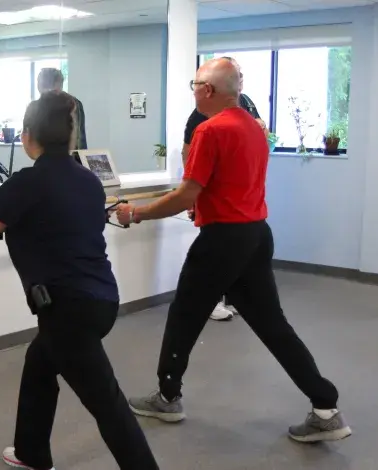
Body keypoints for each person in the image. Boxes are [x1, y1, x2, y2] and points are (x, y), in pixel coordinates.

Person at [117, 58, 351, 444]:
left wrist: (136, 213)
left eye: (194, 85)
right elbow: (213, 186)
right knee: (272, 325)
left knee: (184, 317)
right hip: (256, 235)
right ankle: (325, 407)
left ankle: (167, 397)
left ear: (207, 91)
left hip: (223, 241)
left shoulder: (210, 131)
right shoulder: (255, 128)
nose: (192, 91)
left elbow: (186, 195)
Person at [0, 91, 159, 470]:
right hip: (101, 299)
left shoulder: (26, 183)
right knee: (40, 364)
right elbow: (58, 226)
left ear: (28, 135)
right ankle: (31, 451)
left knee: (107, 403)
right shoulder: (88, 181)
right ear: (69, 137)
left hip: (69, 311)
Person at [182, 56, 267, 322]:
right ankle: (216, 300)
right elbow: (189, 154)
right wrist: (192, 194)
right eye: (234, 73)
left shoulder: (247, 107)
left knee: (270, 320)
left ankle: (235, 297)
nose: (238, 78)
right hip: (225, 219)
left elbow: (260, 140)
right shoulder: (202, 119)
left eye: (239, 74)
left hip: (245, 215)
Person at [37, 68, 87, 150]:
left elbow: (78, 140)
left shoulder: (71, 103)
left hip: (66, 157)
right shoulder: (74, 102)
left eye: (40, 83)